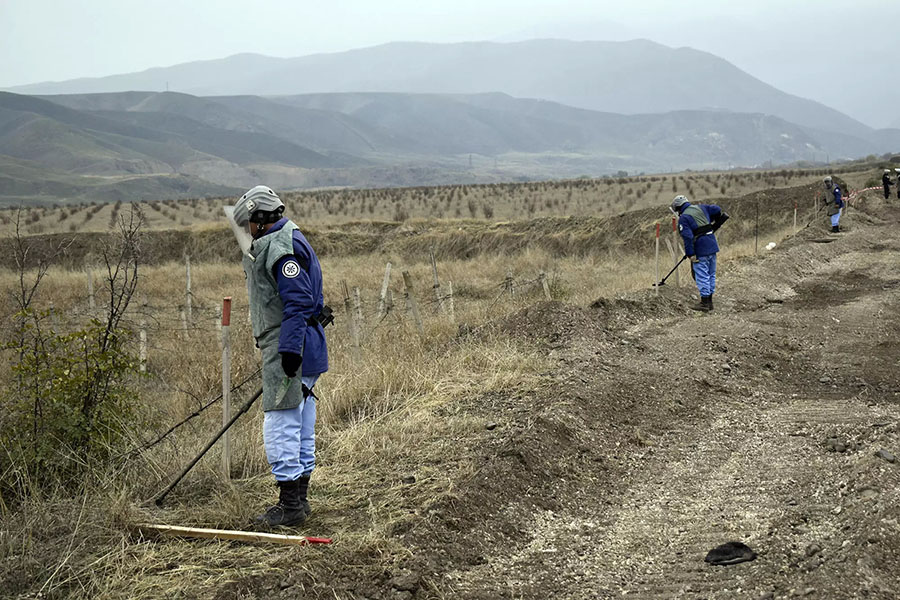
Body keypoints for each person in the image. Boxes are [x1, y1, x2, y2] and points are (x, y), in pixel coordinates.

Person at [230, 185, 329, 528]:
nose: (247, 231)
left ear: (259, 218)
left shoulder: (279, 246)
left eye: (248, 224)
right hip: (305, 343)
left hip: (291, 345)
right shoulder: (291, 236)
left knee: (281, 423)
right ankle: (298, 502)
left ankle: (289, 508)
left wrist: (288, 350)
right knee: (300, 424)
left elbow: (298, 300)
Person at [671, 195, 729, 312]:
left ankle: (704, 303)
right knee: (711, 274)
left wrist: (690, 254)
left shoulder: (684, 218)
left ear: (678, 208)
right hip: (712, 245)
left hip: (700, 249)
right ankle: (710, 302)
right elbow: (717, 209)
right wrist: (714, 219)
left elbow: (687, 236)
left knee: (702, 275)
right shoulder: (702, 207)